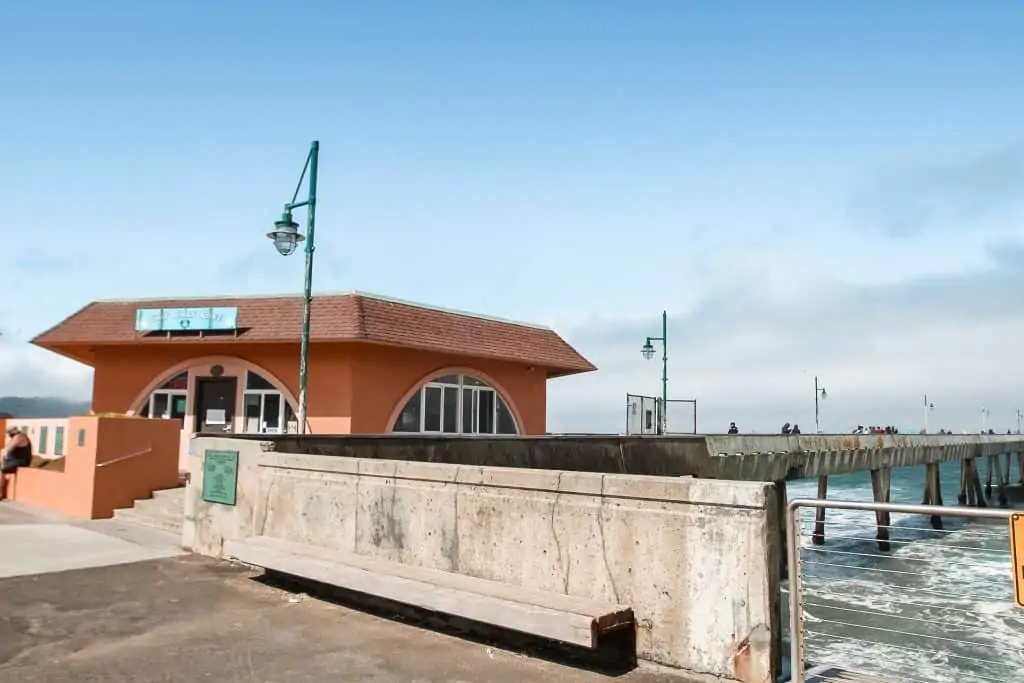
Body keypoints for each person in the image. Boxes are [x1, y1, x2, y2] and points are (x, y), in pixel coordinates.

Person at [1, 426, 33, 500]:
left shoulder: (19, 437)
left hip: (20, 461)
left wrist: (3, 458)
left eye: (9, 432)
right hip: (13, 460)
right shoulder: (15, 438)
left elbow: (7, 450)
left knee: (1, 469)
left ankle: (1, 492)